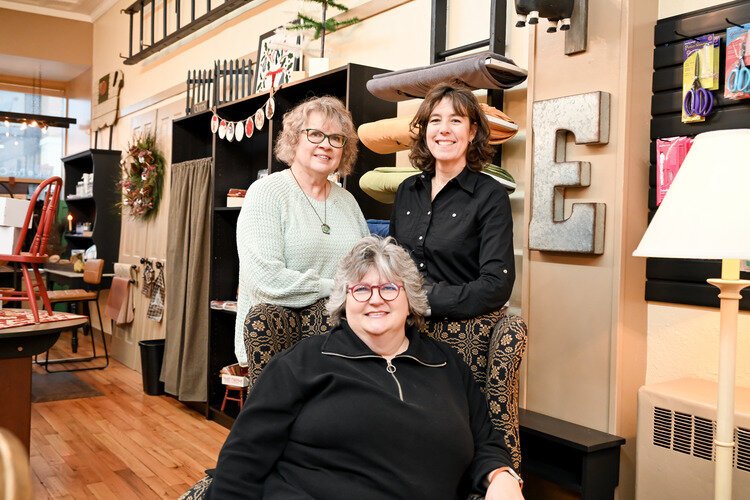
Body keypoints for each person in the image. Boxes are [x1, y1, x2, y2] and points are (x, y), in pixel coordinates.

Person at [207, 236, 524, 500]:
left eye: (389, 288)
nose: (375, 299)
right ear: (345, 300)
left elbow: (485, 438)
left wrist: (502, 477)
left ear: (409, 298)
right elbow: (243, 459)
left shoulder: (445, 363)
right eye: (361, 289)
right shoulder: (303, 363)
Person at [234, 96, 370, 365]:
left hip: (341, 337)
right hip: (280, 334)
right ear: (294, 139)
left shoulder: (347, 201)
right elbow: (266, 280)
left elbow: (366, 268)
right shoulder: (266, 193)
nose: (326, 144)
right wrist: (337, 288)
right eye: (316, 134)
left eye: (336, 138)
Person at [390, 80, 515, 319]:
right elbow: (391, 264)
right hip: (397, 320)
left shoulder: (490, 196)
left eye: (456, 120)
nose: (443, 129)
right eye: (435, 120)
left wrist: (424, 302)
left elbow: (497, 284)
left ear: (472, 132)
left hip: (455, 326)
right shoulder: (407, 190)